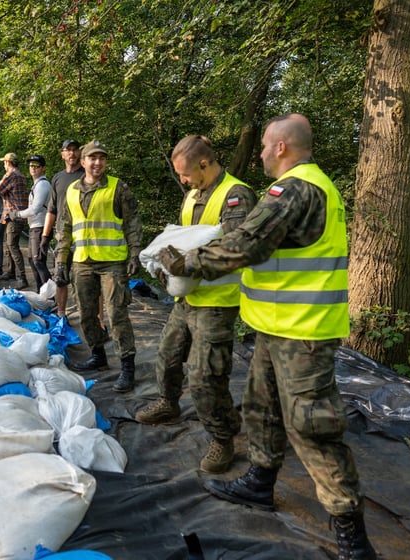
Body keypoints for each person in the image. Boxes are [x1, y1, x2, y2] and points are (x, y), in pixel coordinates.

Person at [158, 113, 376, 559]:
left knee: (311, 427)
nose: (258, 153)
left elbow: (247, 244)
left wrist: (187, 264)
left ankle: (351, 534)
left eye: (262, 146)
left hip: (303, 334)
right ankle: (260, 480)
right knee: (261, 410)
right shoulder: (306, 186)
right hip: (276, 327)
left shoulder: (296, 187)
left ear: (281, 147)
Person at [136, 135, 257, 474]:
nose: (182, 181)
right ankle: (168, 402)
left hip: (217, 302)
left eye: (186, 174)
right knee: (169, 355)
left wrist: (185, 265)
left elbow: (236, 249)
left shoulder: (236, 195)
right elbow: (185, 238)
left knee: (206, 375)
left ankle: (223, 435)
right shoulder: (193, 194)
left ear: (204, 163)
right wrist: (166, 265)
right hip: (187, 296)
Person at [54, 140, 143, 392]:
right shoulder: (71, 190)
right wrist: (61, 260)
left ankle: (127, 366)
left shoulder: (118, 188)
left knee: (116, 314)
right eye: (92, 158)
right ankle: (98, 356)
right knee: (85, 314)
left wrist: (135, 254)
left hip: (113, 262)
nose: (97, 163)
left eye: (102, 158)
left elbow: (132, 223)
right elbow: (65, 228)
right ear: (82, 162)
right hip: (82, 261)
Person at [44, 139, 109, 335]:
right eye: (67, 150)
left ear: (80, 154)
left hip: (86, 239)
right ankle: (61, 315)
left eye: (74, 150)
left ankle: (99, 321)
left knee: (92, 282)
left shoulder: (88, 176)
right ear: (62, 154)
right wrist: (45, 236)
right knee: (60, 277)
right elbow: (52, 208)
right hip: (63, 237)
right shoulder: (57, 178)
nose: (71, 154)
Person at [11, 154, 52, 292]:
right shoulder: (36, 184)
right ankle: (41, 292)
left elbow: (36, 208)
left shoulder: (43, 184)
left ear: (43, 168)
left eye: (36, 166)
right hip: (34, 226)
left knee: (38, 261)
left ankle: (51, 296)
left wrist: (17, 214)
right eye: (31, 165)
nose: (33, 168)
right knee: (32, 260)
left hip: (40, 227)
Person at [0, 152, 30, 289]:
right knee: (9, 245)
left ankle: (22, 278)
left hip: (13, 215)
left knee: (12, 245)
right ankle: (10, 272)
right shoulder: (20, 175)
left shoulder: (11, 175)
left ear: (8, 162)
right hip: (16, 214)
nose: (3, 165)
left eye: (4, 162)